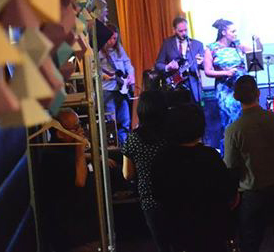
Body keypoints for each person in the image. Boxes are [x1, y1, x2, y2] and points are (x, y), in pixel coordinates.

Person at [224, 76, 274, 252]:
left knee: (250, 243)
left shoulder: (233, 130)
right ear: (258, 93)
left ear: (236, 97)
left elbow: (231, 166)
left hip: (253, 195)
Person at [152, 103, 238, 252]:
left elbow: (157, 195)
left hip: (179, 231)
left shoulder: (162, 158)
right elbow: (227, 191)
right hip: (212, 229)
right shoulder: (210, 156)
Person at [36, 110, 98, 252]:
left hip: (80, 223)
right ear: (60, 133)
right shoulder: (52, 156)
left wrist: (98, 157)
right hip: (70, 230)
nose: (80, 130)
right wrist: (80, 150)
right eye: (75, 128)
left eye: (79, 125)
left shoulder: (63, 146)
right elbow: (80, 181)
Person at [121, 91, 169, 252]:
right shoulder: (172, 135)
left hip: (149, 198)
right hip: (175, 195)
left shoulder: (133, 139)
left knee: (162, 245)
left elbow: (127, 174)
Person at [204, 19, 262, 149]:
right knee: (230, 119)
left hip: (242, 87)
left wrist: (258, 40)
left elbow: (256, 52)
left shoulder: (237, 45)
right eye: (233, 31)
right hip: (225, 89)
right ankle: (232, 151)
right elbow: (208, 71)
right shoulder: (211, 48)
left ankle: (249, 149)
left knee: (247, 118)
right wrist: (226, 73)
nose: (235, 34)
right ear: (223, 32)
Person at [155, 16, 205, 104]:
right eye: (180, 31)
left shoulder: (197, 45)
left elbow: (205, 67)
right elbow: (158, 64)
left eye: (186, 30)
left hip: (193, 87)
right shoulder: (167, 43)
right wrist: (167, 67)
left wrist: (202, 63)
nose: (184, 33)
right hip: (174, 87)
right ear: (174, 30)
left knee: (196, 110)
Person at [99, 23, 135, 144]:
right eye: (110, 38)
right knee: (111, 120)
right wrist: (104, 76)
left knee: (125, 118)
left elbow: (127, 63)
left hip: (122, 88)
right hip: (107, 89)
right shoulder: (98, 51)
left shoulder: (119, 48)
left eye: (115, 38)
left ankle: (124, 144)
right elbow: (93, 70)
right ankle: (114, 145)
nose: (112, 41)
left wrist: (131, 75)